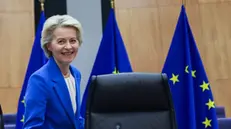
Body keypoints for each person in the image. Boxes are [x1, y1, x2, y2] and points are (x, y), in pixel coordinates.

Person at [23, 15, 84, 129]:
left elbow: (75, 119)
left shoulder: (76, 74)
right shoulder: (39, 80)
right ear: (49, 45)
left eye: (73, 40)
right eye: (61, 41)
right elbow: (32, 127)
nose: (68, 46)